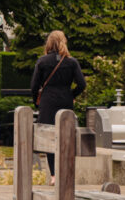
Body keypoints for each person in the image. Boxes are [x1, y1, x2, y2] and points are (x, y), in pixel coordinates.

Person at [30, 30, 86, 178]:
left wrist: (36, 101)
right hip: (65, 101)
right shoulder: (72, 62)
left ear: (49, 43)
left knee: (50, 137)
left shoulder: (42, 61)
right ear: (64, 42)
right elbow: (82, 84)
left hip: (48, 102)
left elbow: (34, 86)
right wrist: (72, 95)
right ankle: (65, 171)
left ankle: (54, 175)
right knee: (66, 136)